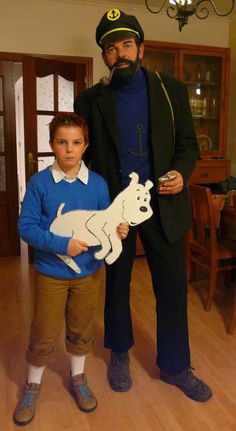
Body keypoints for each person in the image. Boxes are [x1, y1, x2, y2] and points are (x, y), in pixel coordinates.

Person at [74, 9, 212, 402]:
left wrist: (182, 174)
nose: (120, 54)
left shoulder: (171, 91)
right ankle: (119, 352)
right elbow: (80, 160)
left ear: (142, 48)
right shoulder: (90, 100)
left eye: (127, 45)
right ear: (103, 55)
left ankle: (176, 366)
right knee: (116, 285)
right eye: (111, 48)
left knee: (171, 288)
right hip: (114, 211)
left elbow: (188, 146)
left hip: (164, 207)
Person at [13, 112, 129, 426]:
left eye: (76, 143)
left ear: (85, 145)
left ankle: (78, 378)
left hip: (88, 274)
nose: (69, 149)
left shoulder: (98, 185)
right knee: (45, 330)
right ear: (51, 144)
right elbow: (26, 228)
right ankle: (33, 383)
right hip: (51, 273)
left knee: (81, 327)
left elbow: (103, 224)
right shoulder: (39, 183)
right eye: (62, 142)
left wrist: (117, 231)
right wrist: (64, 244)